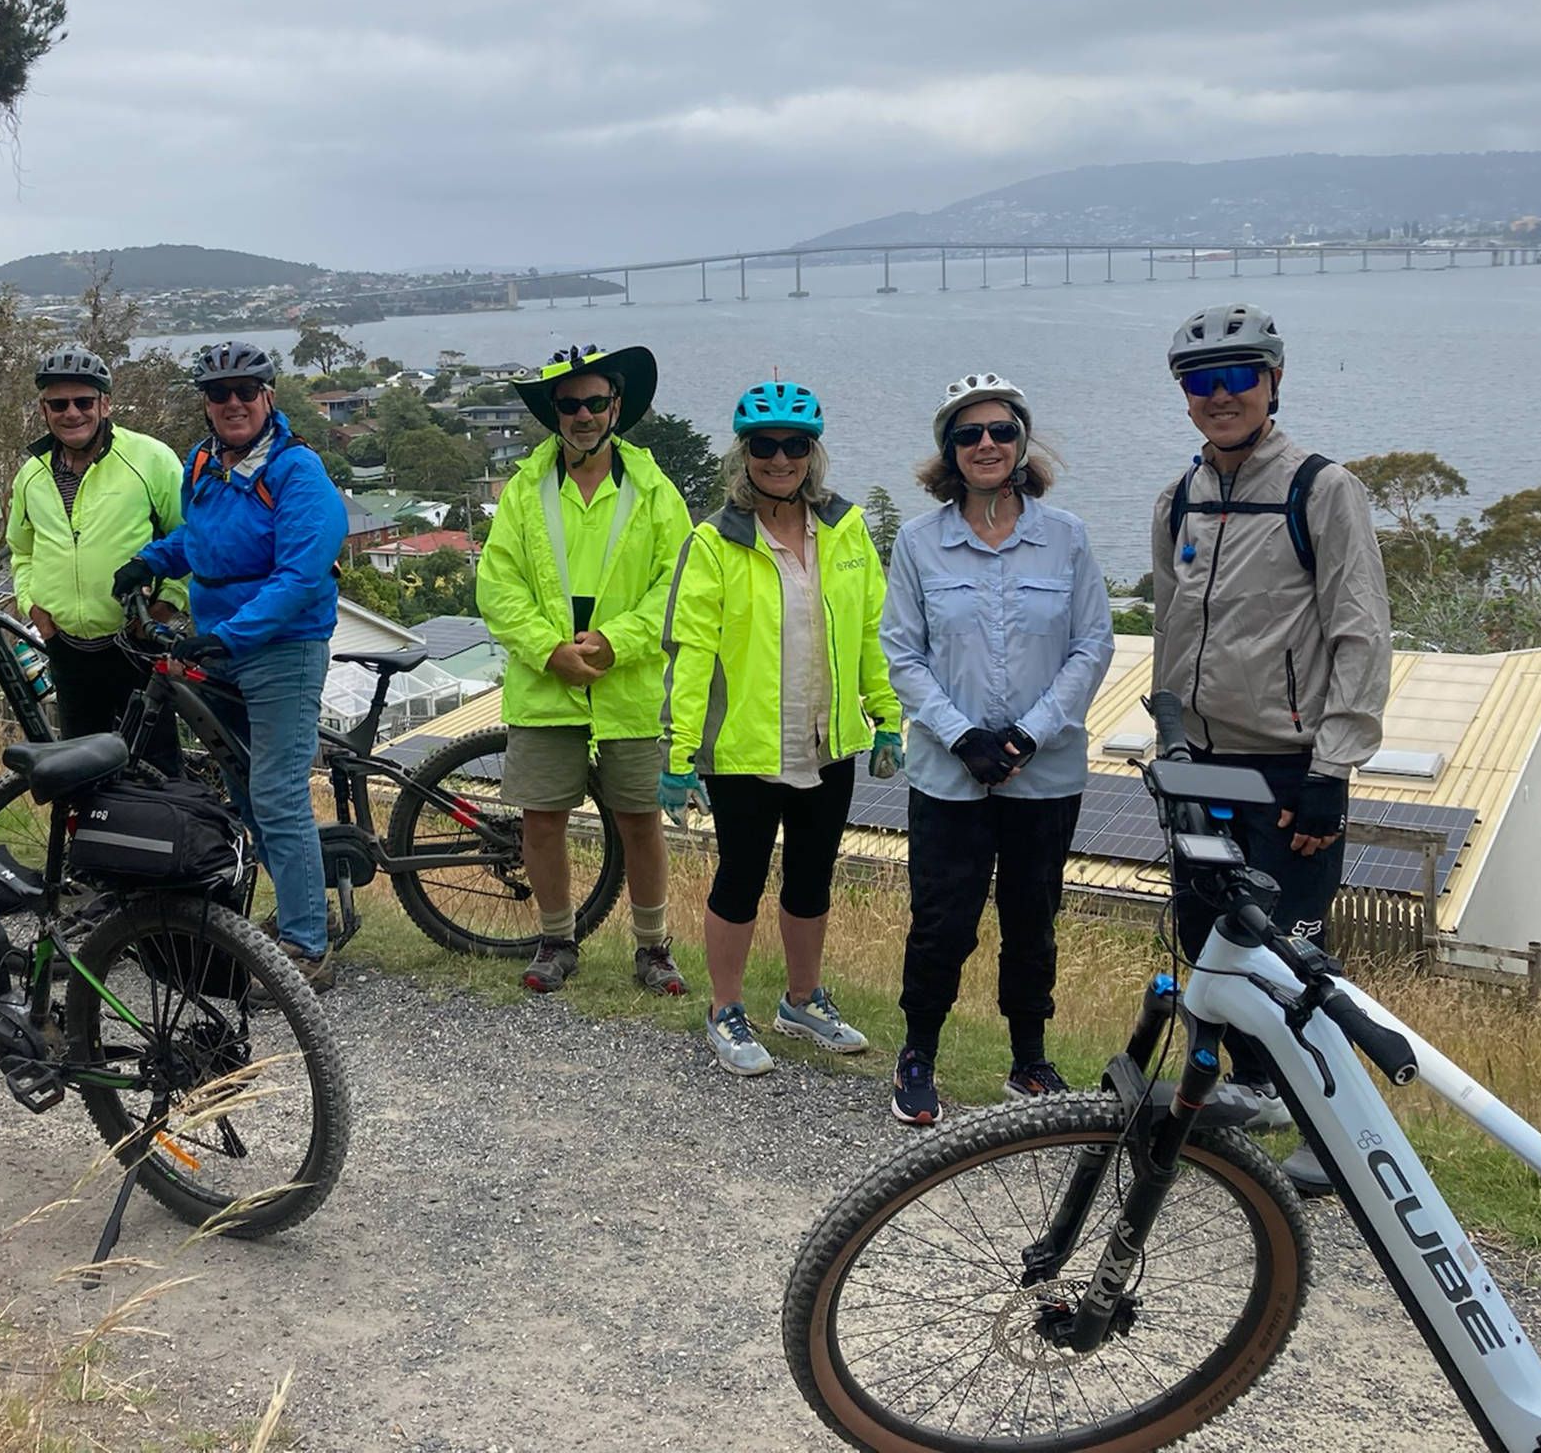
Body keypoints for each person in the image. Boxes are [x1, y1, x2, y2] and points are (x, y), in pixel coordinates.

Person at [1150, 303, 1390, 1186]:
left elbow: (1360, 632)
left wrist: (1334, 767)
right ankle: (1248, 1090)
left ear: (1273, 383)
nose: (1220, 396)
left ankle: (1336, 1137)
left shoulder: (1321, 489)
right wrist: (1168, 739)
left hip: (1291, 768)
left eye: (1237, 378)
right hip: (1203, 760)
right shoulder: (1180, 497)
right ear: (1184, 397)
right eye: (1200, 382)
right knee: (1210, 935)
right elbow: (1171, 626)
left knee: (1293, 955)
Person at [878, 375, 1114, 1125]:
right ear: (949, 450)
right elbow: (902, 655)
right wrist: (964, 737)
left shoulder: (1066, 537)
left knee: (1031, 919)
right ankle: (917, 1052)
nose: (986, 444)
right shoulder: (918, 542)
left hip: (1044, 774)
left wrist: (1026, 734)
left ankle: (1029, 1057)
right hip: (949, 776)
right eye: (969, 434)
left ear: (1022, 444)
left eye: (1001, 431)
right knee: (942, 920)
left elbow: (1092, 645)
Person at [661, 382, 902, 1076]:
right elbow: (690, 653)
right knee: (739, 880)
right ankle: (724, 1010)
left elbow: (871, 634)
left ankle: (801, 1001)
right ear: (745, 455)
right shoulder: (713, 542)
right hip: (744, 748)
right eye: (764, 447)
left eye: (794, 446)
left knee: (811, 877)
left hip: (827, 740)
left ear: (812, 453)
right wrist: (679, 756)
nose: (780, 459)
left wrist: (886, 717)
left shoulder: (847, 529)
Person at [114, 341, 348, 988]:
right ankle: (307, 914)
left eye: (247, 391)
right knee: (244, 793)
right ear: (208, 405)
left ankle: (306, 951)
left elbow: (302, 576)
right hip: (221, 650)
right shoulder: (203, 463)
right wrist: (151, 561)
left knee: (275, 794)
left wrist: (229, 635)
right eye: (221, 394)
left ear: (269, 397)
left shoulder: (297, 471)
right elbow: (198, 539)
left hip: (281, 651)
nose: (234, 403)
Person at [475, 344, 693, 995]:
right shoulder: (525, 489)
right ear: (555, 413)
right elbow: (497, 584)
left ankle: (653, 948)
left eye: (596, 402)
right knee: (542, 819)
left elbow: (677, 585)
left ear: (616, 407)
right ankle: (555, 939)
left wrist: (615, 642)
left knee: (640, 819)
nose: (583, 415)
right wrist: (549, 650)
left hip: (628, 683)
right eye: (570, 405)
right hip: (545, 683)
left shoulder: (655, 491)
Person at [7, 345, 187, 766]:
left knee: (153, 768)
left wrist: (170, 601)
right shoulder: (30, 474)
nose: (72, 413)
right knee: (80, 773)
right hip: (67, 649)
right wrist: (31, 604)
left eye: (84, 401)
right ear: (43, 409)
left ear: (105, 404)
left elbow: (192, 537)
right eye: (59, 403)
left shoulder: (151, 458)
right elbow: (21, 549)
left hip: (135, 643)